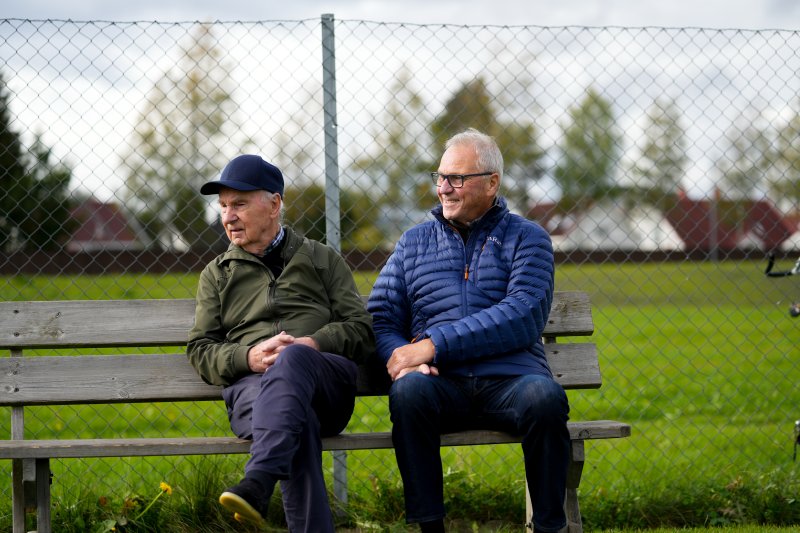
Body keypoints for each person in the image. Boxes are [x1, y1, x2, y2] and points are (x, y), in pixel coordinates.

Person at [367, 129, 570, 533]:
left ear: (491, 182)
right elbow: (383, 316)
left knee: (545, 397)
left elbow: (522, 315)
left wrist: (432, 346)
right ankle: (431, 528)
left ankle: (550, 527)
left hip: (511, 379)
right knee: (408, 393)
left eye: (456, 178)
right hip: (443, 385)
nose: (444, 188)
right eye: (440, 177)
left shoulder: (528, 238)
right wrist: (404, 361)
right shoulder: (412, 244)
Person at [187, 154, 375, 532]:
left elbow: (362, 329)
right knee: (294, 420)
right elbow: (201, 349)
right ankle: (260, 485)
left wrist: (313, 343)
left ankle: (258, 479)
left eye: (239, 203)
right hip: (253, 393)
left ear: (274, 205)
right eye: (223, 206)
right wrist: (249, 356)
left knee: (293, 361)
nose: (228, 216)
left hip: (326, 387)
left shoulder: (322, 259)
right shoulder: (217, 275)